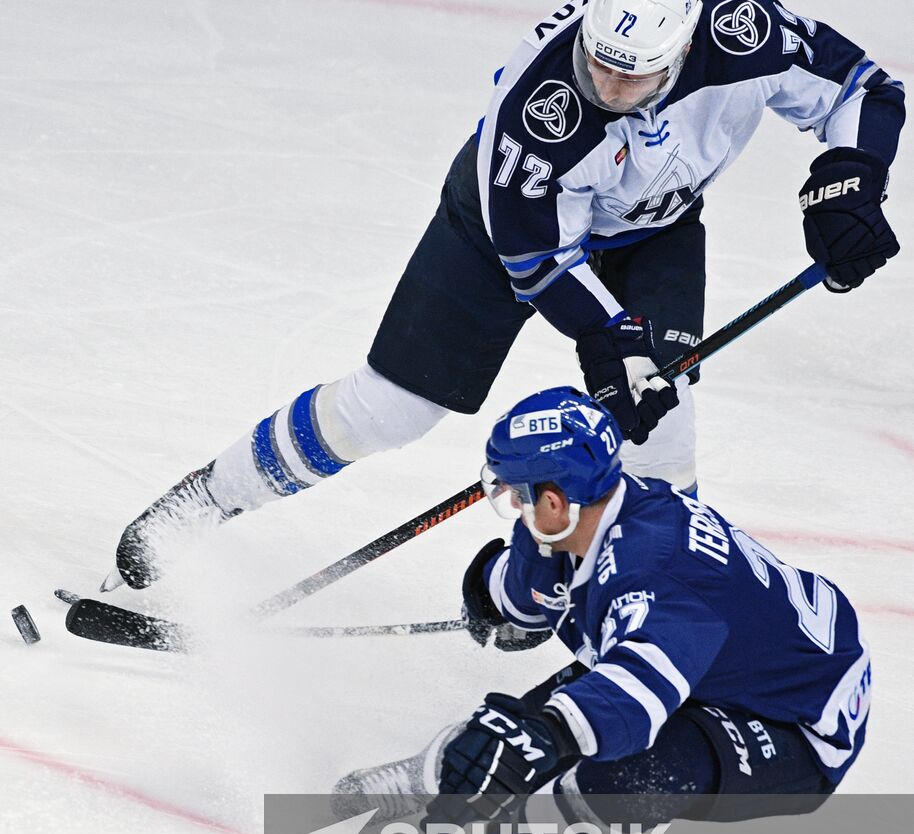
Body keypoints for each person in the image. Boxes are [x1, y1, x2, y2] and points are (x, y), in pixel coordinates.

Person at [101, 0, 904, 591]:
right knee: (388, 410)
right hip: (505, 233)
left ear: (688, 45)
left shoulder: (746, 35)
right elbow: (539, 257)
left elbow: (865, 89)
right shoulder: (539, 107)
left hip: (653, 231)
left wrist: (850, 180)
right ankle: (211, 497)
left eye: (638, 73)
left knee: (664, 427)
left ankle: (655, 597)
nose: (612, 86)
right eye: (602, 65)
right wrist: (612, 337)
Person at [333, 386, 872, 834]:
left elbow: (636, 694)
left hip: (795, 724)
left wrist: (543, 738)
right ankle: (430, 774)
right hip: (710, 662)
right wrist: (488, 590)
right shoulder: (585, 512)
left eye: (517, 494)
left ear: (555, 499)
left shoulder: (656, 571)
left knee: (635, 776)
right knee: (545, 721)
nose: (513, 506)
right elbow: (532, 598)